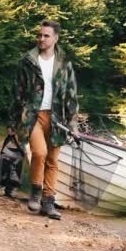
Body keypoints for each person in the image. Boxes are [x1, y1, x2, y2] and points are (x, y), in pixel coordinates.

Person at [8, 20, 79, 220]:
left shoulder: (65, 63)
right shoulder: (27, 60)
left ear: (55, 38)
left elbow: (72, 95)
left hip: (58, 117)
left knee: (53, 160)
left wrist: (73, 124)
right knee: (39, 153)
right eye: (40, 35)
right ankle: (36, 192)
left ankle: (48, 202)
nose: (41, 39)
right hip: (33, 116)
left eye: (46, 36)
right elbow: (17, 92)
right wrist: (13, 123)